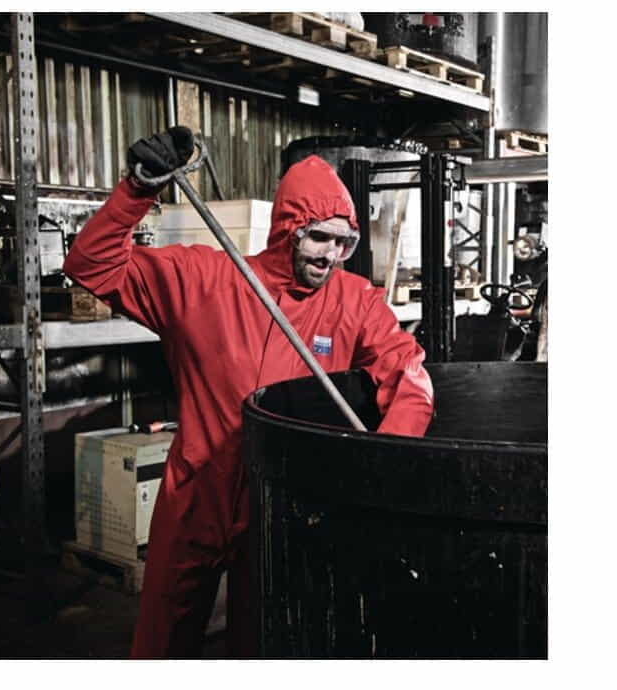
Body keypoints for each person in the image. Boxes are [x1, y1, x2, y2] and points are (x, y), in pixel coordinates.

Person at [63, 126, 434, 658]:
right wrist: (138, 189)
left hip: (280, 502)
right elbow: (91, 264)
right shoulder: (203, 280)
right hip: (197, 491)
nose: (331, 255)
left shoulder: (355, 302)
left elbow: (407, 374)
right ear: (288, 229)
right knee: (163, 639)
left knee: (261, 640)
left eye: (342, 242)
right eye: (319, 237)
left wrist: (386, 465)